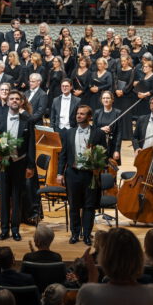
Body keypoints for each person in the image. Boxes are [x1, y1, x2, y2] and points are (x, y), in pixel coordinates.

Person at [56, 105, 108, 245]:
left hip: (90, 175)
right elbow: (63, 154)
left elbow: (105, 154)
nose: (79, 116)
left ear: (89, 117)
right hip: (72, 174)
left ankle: (86, 235)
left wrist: (98, 166)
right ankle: (75, 234)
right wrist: (60, 173)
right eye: (78, 113)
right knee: (74, 206)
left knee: (89, 206)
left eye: (82, 114)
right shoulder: (68, 133)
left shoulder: (98, 133)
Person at [0, 90, 36, 241]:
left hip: (20, 163)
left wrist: (30, 166)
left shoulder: (28, 120)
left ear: (21, 102)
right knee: (4, 196)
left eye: (17, 99)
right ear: (7, 101)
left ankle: (15, 229)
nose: (14, 101)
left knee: (17, 197)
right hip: (3, 164)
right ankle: (4, 229)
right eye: (12, 99)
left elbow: (31, 144)